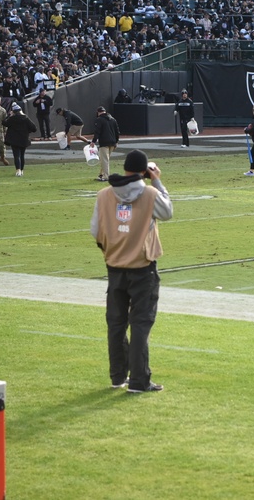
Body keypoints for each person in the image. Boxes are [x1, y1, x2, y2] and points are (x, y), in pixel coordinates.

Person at [91, 149, 172, 393]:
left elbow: (95, 230)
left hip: (114, 267)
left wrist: (113, 248)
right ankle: (139, 380)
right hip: (142, 268)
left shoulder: (104, 194)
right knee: (140, 324)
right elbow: (167, 212)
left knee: (116, 324)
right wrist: (157, 179)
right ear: (145, 171)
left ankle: (118, 376)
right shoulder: (149, 192)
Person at [3, 103, 37, 177]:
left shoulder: (12, 119)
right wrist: (28, 131)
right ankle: (21, 170)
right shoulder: (25, 118)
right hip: (24, 139)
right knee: (22, 155)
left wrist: (9, 115)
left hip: (14, 140)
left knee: (16, 155)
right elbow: (34, 128)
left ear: (13, 112)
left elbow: (4, 123)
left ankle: (18, 170)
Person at [91, 106, 120, 182]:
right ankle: (101, 174)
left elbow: (97, 131)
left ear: (98, 112)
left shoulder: (99, 120)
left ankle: (106, 177)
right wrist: (116, 141)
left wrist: (93, 141)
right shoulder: (113, 119)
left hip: (104, 142)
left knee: (104, 160)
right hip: (113, 142)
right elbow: (117, 132)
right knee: (105, 160)